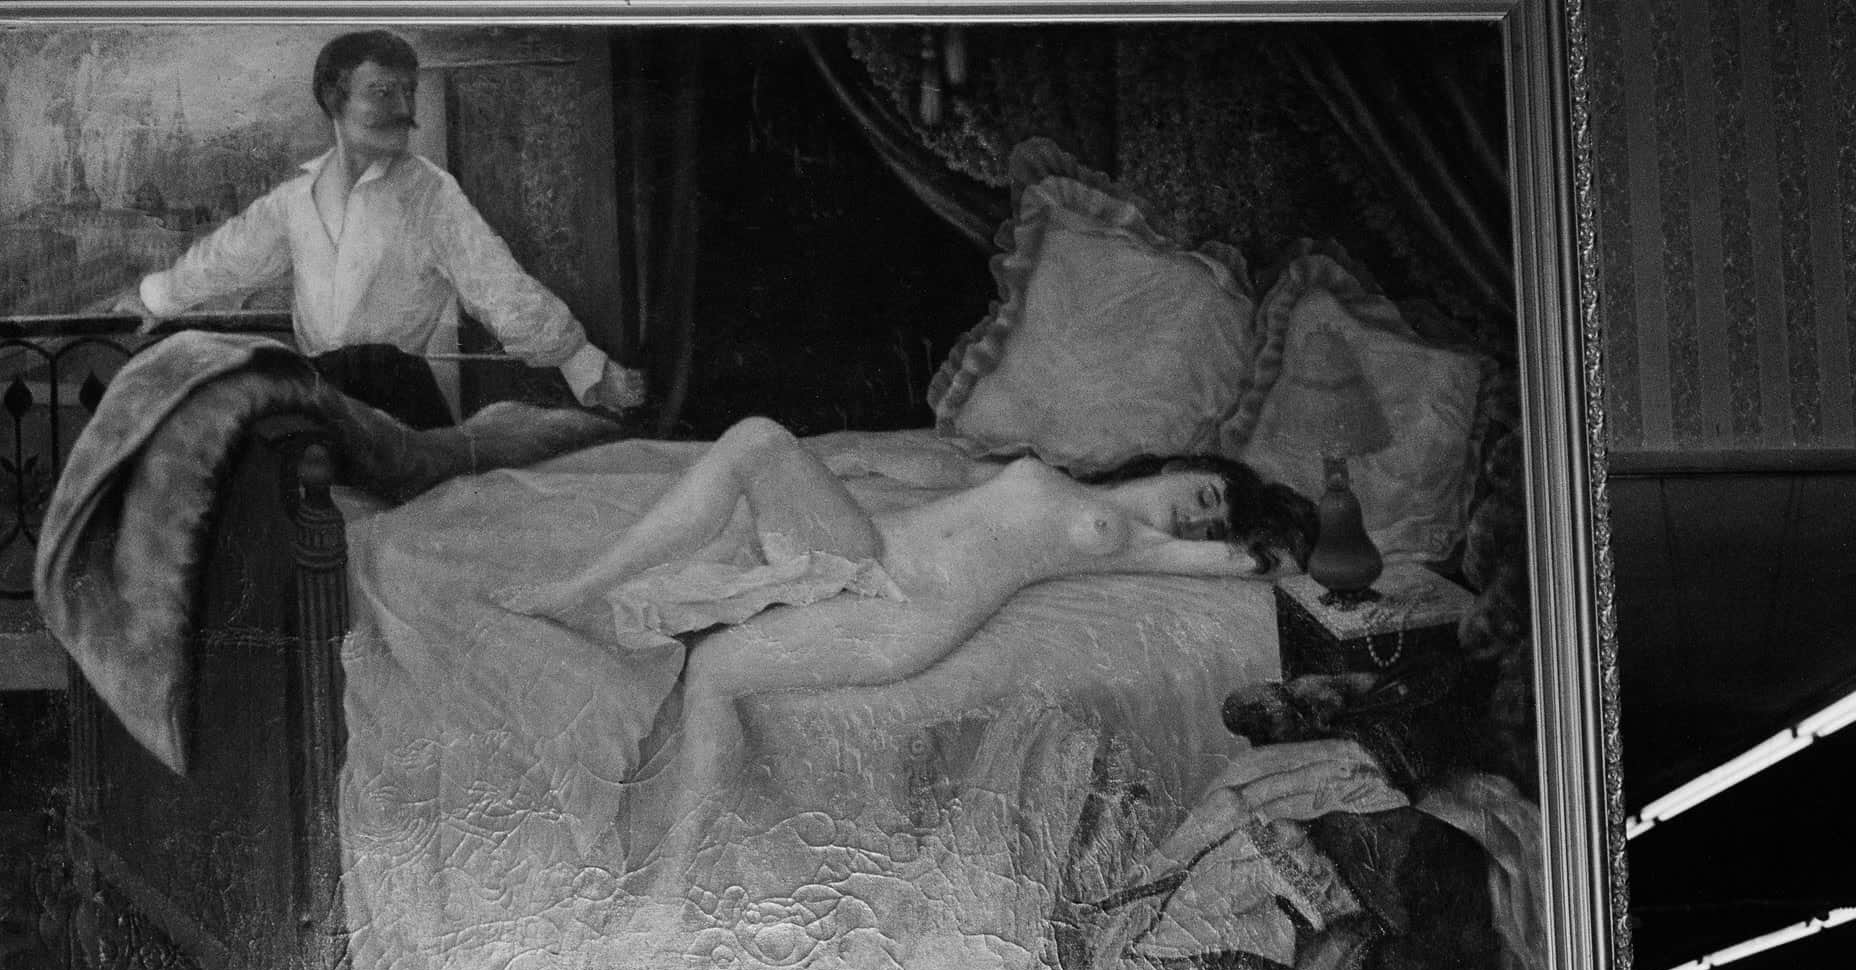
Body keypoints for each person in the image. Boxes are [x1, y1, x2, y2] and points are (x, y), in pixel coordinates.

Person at [516, 421, 1313, 779]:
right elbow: (954, 474)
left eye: (1211, 521)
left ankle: (673, 884)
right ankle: (578, 589)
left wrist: (1257, 545)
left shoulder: (1135, 539)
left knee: (716, 672)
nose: (1197, 515)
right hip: (868, 549)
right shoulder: (1060, 479)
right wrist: (861, 460)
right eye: (1207, 494)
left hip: (910, 610)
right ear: (1182, 466)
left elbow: (1242, 563)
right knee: (757, 441)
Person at [117, 29, 643, 430]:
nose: (405, 109)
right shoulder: (295, 200)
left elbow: (497, 286)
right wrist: (153, 298)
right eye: (383, 92)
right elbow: (225, 259)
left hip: (400, 413)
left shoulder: (431, 194)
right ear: (334, 99)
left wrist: (584, 364)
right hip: (319, 406)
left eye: (408, 92)